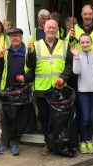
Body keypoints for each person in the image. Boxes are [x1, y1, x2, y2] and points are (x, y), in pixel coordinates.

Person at [27, 19, 72, 155]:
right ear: (44, 29)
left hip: (59, 89)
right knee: (45, 117)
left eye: (54, 27)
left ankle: (57, 141)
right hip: (42, 89)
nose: (51, 30)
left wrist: (63, 78)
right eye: (49, 27)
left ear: (57, 29)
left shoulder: (65, 45)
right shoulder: (36, 45)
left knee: (58, 118)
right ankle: (48, 143)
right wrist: (30, 53)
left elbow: (69, 65)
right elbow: (30, 65)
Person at [0, 28, 36, 156]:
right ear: (9, 39)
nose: (15, 38)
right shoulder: (5, 52)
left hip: (20, 90)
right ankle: (3, 142)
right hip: (6, 90)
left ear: (21, 37)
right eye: (12, 36)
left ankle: (14, 143)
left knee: (16, 118)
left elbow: (34, 70)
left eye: (17, 36)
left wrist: (26, 78)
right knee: (4, 118)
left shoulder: (27, 51)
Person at [71, 33, 93, 154]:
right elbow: (76, 71)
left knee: (91, 118)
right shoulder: (78, 55)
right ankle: (82, 140)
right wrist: (76, 57)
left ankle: (89, 140)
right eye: (83, 42)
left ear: (91, 43)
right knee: (85, 118)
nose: (85, 44)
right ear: (80, 44)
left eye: (87, 42)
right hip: (83, 92)